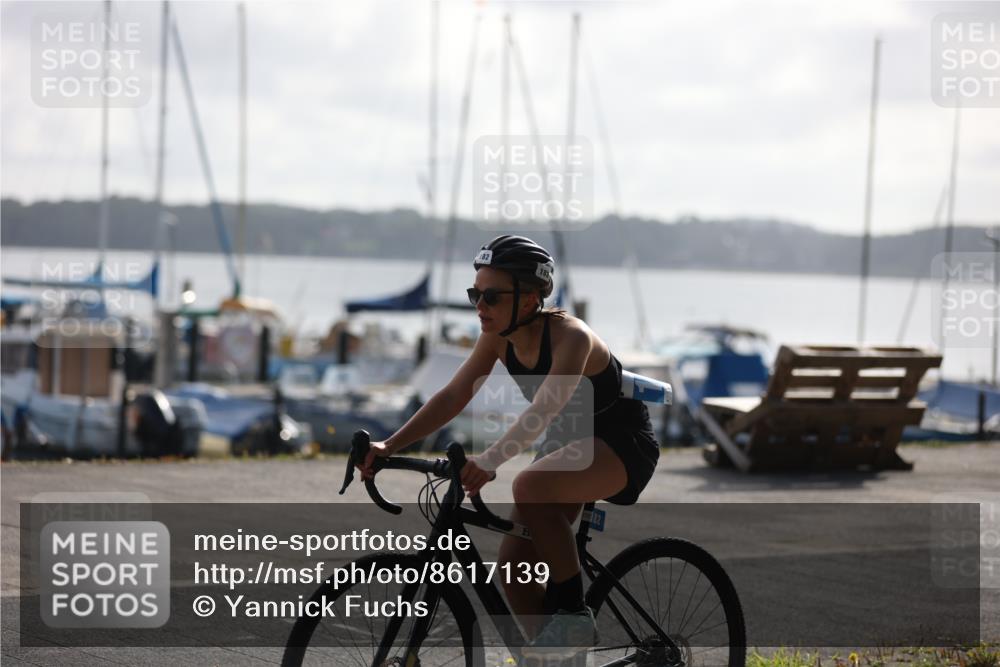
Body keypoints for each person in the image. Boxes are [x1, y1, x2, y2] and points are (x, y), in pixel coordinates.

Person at [359, 235, 660, 660]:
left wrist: (490, 459)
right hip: (569, 440)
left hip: (621, 442)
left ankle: (574, 616)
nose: (480, 306)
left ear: (531, 298)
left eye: (492, 296)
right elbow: (454, 394)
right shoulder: (498, 335)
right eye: (475, 295)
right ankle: (557, 662)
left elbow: (544, 409)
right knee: (515, 568)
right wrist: (389, 444)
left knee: (530, 485)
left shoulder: (573, 338)